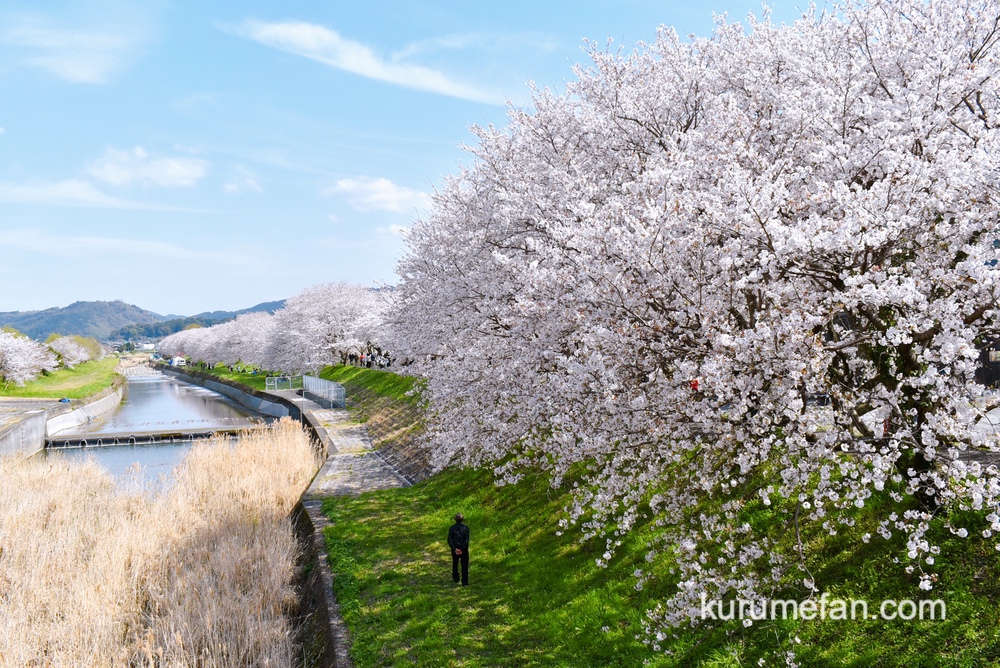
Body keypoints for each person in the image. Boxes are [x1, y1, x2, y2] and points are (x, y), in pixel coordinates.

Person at [447, 513, 470, 585]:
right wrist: (462, 549)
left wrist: (454, 548)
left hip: (455, 548)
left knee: (455, 563)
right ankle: (465, 581)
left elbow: (450, 539)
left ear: (455, 520)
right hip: (464, 549)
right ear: (463, 519)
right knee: (464, 565)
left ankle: (455, 577)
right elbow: (466, 540)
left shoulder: (452, 528)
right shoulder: (466, 528)